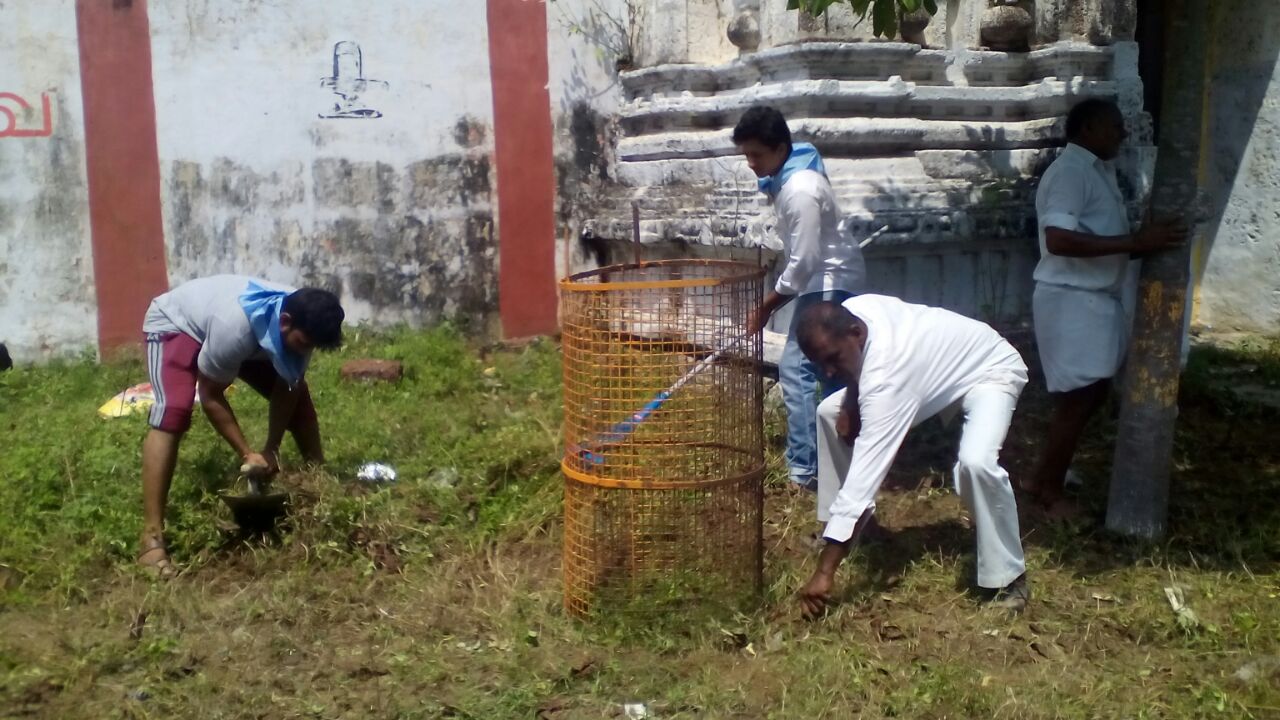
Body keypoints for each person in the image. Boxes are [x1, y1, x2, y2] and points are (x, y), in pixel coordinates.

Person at [792, 296, 1031, 618]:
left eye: (833, 359)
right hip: (931, 372)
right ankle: (853, 532)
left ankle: (1009, 578)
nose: (829, 372)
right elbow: (855, 365)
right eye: (821, 365)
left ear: (856, 333)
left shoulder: (887, 377)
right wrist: (850, 402)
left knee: (976, 463)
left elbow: (863, 481)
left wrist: (824, 573)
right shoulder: (856, 311)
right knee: (828, 413)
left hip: (989, 369)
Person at [1025, 99, 1188, 518]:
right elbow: (1059, 240)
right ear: (1088, 129)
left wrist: (1142, 244)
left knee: (1088, 396)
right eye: (1114, 126)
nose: (1123, 133)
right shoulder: (1071, 172)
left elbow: (1098, 239)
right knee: (1080, 399)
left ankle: (1045, 477)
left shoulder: (1098, 171)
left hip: (1092, 298)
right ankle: (1046, 491)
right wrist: (1136, 242)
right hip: (1072, 298)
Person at [137, 275, 345, 577]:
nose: (305, 351)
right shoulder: (234, 328)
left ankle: (322, 491)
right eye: (303, 343)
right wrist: (247, 453)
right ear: (285, 322)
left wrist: (271, 448)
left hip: (246, 333)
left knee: (300, 405)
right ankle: (151, 540)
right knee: (173, 413)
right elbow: (210, 394)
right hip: (177, 324)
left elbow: (288, 388)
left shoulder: (307, 320)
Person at [733, 105, 866, 492]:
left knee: (798, 368)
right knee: (824, 371)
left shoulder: (800, 190)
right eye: (746, 155)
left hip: (829, 282)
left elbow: (805, 260)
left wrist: (766, 306)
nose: (751, 164)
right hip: (821, 281)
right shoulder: (789, 178)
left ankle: (806, 469)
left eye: (756, 154)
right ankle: (834, 460)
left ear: (779, 149)